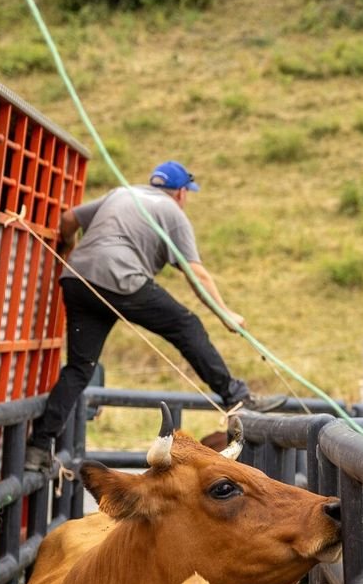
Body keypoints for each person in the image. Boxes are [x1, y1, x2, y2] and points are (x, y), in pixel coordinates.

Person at [24, 161, 281, 474]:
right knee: (186, 324)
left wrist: (69, 245)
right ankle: (237, 397)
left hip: (77, 279)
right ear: (182, 192)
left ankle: (37, 448)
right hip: (121, 279)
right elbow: (195, 272)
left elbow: (68, 219)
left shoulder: (120, 193)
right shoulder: (173, 212)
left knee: (79, 368)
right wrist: (225, 313)